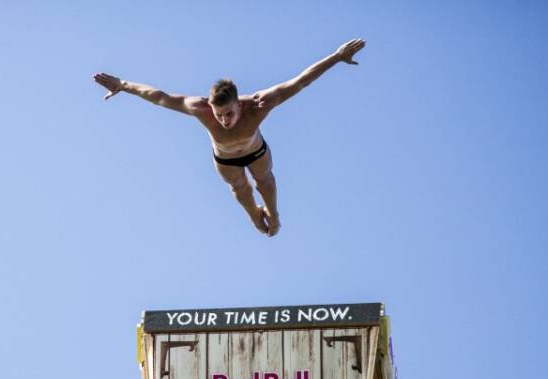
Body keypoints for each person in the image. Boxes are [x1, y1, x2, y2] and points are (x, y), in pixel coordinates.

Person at [93, 39, 366, 236]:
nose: (224, 120)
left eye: (229, 114)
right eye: (219, 114)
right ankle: (255, 218)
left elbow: (301, 81)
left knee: (265, 182)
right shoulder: (199, 108)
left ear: (239, 105)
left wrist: (336, 56)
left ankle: (275, 216)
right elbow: (158, 96)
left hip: (255, 150)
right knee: (239, 189)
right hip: (224, 157)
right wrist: (122, 85)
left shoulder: (260, 104)